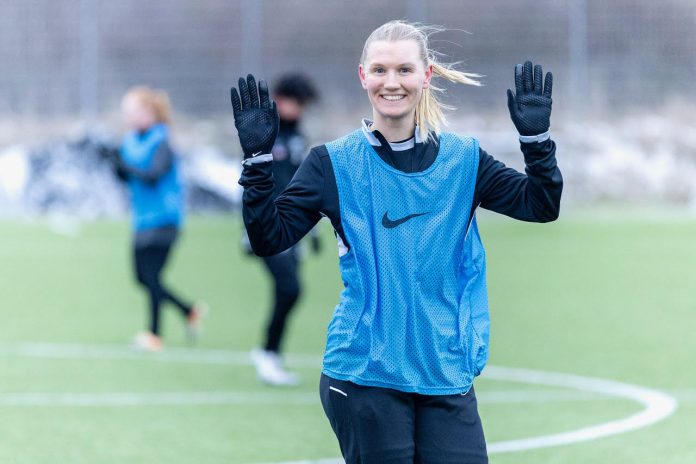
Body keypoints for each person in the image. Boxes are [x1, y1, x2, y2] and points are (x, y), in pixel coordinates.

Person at [231, 20, 561, 464]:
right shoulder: (332, 163)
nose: (392, 82)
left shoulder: (464, 160)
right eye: (380, 70)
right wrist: (257, 164)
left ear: (426, 76)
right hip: (364, 371)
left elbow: (541, 204)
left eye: (405, 70)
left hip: (444, 369)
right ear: (362, 76)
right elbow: (269, 238)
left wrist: (536, 143)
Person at [115, 86, 205, 352]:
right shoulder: (130, 141)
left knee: (152, 275)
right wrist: (113, 163)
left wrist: (125, 165)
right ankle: (188, 310)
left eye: (133, 111)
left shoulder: (162, 141)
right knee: (142, 278)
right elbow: (126, 176)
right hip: (142, 220)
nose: (129, 117)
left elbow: (153, 175)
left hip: (165, 219)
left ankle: (154, 335)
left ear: (150, 112)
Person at [246, 73, 321, 386]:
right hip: (267, 226)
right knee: (290, 288)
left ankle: (270, 354)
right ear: (280, 98)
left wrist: (313, 229)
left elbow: (302, 184)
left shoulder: (298, 136)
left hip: (293, 226)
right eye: (296, 102)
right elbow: (250, 181)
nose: (300, 109)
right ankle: (267, 353)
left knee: (285, 293)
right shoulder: (263, 132)